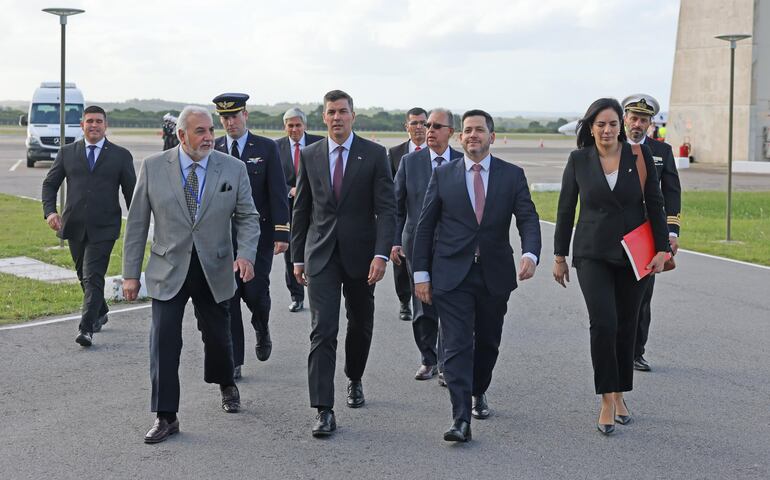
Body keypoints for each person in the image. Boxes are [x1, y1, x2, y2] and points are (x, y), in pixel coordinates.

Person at [122, 106, 260, 444]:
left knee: (217, 336)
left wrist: (245, 254)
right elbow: (138, 224)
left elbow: (247, 217)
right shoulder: (154, 168)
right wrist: (130, 274)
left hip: (215, 266)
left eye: (210, 130)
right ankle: (165, 415)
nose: (209, 137)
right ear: (182, 135)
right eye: (200, 131)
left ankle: (226, 382)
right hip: (168, 267)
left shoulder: (233, 168)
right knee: (163, 340)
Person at [412, 109, 542, 443]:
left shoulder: (512, 175)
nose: (473, 135)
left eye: (479, 130)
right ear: (460, 136)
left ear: (492, 137)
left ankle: (479, 389)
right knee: (456, 345)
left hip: (493, 275)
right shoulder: (444, 175)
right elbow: (424, 227)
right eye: (467, 130)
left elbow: (527, 217)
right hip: (450, 275)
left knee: (487, 342)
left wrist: (530, 253)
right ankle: (460, 418)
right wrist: (421, 273)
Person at [552, 98, 669, 436]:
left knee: (626, 325)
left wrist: (662, 248)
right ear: (590, 127)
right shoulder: (578, 160)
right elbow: (564, 210)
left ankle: (619, 392)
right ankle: (606, 397)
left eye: (613, 124)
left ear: (621, 126)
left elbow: (656, 203)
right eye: (600, 124)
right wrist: (560, 256)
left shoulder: (639, 155)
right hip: (592, 253)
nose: (607, 130)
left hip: (635, 255)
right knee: (603, 323)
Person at [291, 89, 395, 438]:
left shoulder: (375, 154)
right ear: (323, 117)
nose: (337, 117)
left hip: (362, 257)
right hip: (321, 255)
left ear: (353, 115)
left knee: (361, 323)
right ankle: (323, 409)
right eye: (331, 112)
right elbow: (302, 209)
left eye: (343, 111)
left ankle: (354, 377)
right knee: (323, 329)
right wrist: (297, 255)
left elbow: (387, 209)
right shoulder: (310, 154)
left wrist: (381, 254)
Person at [41, 105, 136, 347]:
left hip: (105, 227)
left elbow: (131, 193)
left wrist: (138, 222)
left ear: (106, 126)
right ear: (82, 125)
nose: (94, 125)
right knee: (83, 275)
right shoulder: (67, 152)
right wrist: (50, 212)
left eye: (98, 121)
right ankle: (100, 310)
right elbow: (50, 184)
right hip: (73, 225)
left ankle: (86, 329)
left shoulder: (121, 155)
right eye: (89, 121)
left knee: (93, 275)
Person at [213, 93, 290, 380]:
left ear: (246, 115)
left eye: (234, 116)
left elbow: (278, 192)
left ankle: (262, 325)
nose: (229, 122)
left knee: (255, 293)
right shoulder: (215, 148)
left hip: (259, 235)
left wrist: (282, 231)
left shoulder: (266, 148)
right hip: (222, 239)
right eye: (224, 118)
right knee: (229, 298)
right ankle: (235, 360)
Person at [393, 108, 462, 384]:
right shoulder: (410, 162)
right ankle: (428, 359)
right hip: (417, 246)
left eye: (435, 126)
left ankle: (447, 363)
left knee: (451, 307)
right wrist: (395, 241)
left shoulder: (462, 161)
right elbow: (397, 207)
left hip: (453, 247)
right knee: (423, 307)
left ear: (450, 132)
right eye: (426, 125)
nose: (428, 130)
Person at [622, 94, 682, 372]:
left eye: (643, 120)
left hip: (647, 234)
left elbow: (671, 191)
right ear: (624, 119)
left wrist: (671, 231)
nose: (637, 124)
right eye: (633, 118)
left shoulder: (662, 151)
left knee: (643, 296)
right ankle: (613, 346)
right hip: (616, 232)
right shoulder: (612, 147)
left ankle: (636, 351)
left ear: (649, 123)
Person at [276, 107, 324, 313]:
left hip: (316, 208)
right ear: (285, 126)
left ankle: (318, 292)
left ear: (305, 125)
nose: (294, 129)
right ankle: (296, 296)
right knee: (292, 253)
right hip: (288, 209)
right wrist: (290, 190)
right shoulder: (276, 147)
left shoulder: (319, 143)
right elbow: (273, 181)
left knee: (316, 250)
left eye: (298, 125)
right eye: (290, 125)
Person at [387, 107, 428, 321]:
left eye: (423, 123)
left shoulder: (437, 151)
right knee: (401, 264)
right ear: (407, 127)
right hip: (404, 218)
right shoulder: (395, 153)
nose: (419, 127)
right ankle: (404, 301)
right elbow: (391, 193)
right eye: (415, 123)